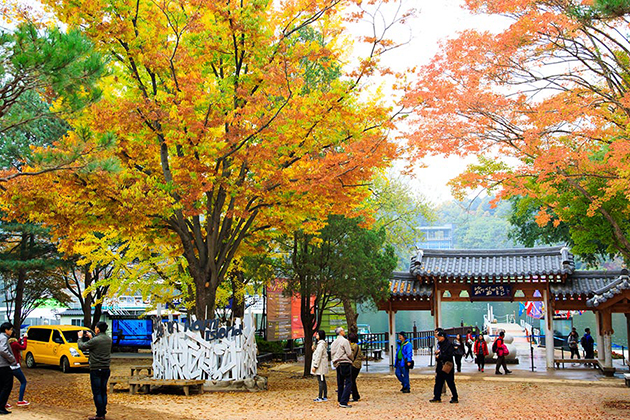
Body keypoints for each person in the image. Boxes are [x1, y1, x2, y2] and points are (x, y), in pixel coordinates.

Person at [78, 322, 113, 420]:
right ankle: (103, 411)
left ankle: (99, 414)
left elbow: (82, 346)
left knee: (97, 392)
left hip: (96, 368)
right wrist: (91, 337)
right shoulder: (108, 339)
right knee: (103, 391)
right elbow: (96, 344)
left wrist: (80, 337)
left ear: (97, 329)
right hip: (106, 368)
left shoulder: (96, 340)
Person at [430, 330, 458, 403]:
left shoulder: (449, 344)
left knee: (450, 382)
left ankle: (455, 397)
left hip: (447, 366)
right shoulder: (440, 344)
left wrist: (440, 355)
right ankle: (437, 397)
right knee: (438, 382)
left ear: (443, 337)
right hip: (440, 366)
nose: (438, 338)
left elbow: (449, 355)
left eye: (439, 336)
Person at [330, 327, 353, 408]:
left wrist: (334, 361)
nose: (344, 331)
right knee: (348, 382)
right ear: (340, 332)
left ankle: (340, 399)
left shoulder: (333, 343)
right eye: (343, 330)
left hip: (337, 363)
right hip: (345, 362)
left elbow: (332, 354)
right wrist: (351, 359)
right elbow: (349, 353)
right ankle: (344, 401)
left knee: (340, 382)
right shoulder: (344, 341)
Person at [0, 323, 17, 415]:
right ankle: (1, 406)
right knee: (7, 386)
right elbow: (2, 350)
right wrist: (11, 358)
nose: (11, 331)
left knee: (2, 386)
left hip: (2, 365)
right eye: (10, 329)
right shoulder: (3, 338)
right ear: (6, 330)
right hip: (3, 365)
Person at [8, 333, 29, 407]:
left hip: (8, 366)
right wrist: (25, 339)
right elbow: (23, 347)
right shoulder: (14, 344)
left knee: (6, 385)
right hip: (15, 366)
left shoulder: (7, 344)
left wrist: (21, 339)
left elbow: (17, 344)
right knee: (23, 382)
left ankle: (4, 402)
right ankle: (20, 400)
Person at [311, 330, 329, 402]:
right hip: (321, 365)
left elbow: (318, 356)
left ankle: (320, 396)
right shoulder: (321, 344)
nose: (316, 335)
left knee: (321, 380)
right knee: (322, 380)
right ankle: (324, 396)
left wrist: (315, 366)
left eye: (317, 334)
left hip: (320, 366)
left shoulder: (321, 345)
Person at [347, 332, 362, 402]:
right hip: (357, 364)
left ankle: (355, 396)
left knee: (351, 380)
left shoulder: (353, 346)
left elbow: (351, 355)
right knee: (353, 380)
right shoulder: (356, 345)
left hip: (354, 365)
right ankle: (356, 395)